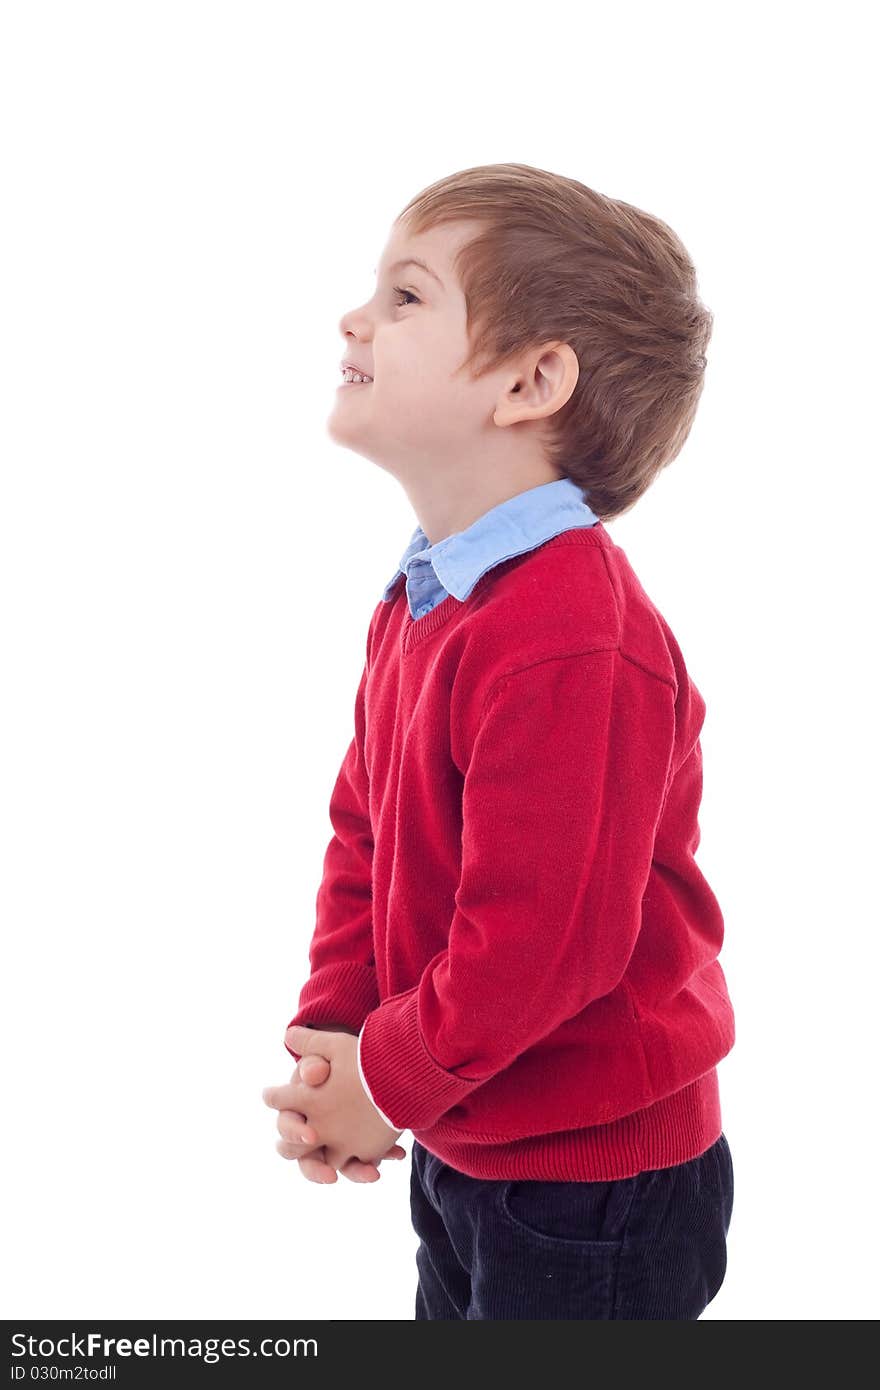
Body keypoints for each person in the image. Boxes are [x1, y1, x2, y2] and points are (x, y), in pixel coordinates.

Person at [261, 162, 735, 1320]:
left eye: (408, 295)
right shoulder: (425, 599)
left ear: (532, 379)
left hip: (596, 1181)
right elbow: (365, 831)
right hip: (472, 1136)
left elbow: (546, 942)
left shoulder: (572, 633)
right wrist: (337, 1032)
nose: (355, 317)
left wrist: (388, 1079)